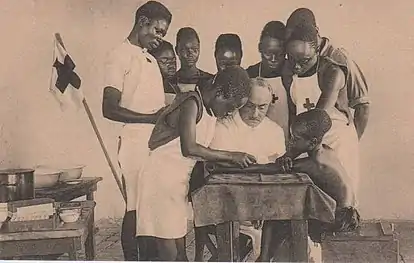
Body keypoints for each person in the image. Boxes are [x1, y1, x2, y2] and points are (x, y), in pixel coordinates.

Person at [136, 66, 257, 261]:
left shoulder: (208, 111)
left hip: (176, 182)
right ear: (218, 93)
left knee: (179, 251)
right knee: (169, 251)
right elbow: (189, 148)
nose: (229, 113)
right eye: (230, 107)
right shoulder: (191, 103)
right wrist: (231, 156)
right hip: (160, 180)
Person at [234, 109, 360, 261]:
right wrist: (287, 156)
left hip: (339, 220)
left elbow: (269, 169)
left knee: (277, 213)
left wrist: (233, 166)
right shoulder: (326, 150)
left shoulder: (314, 164)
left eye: (295, 138)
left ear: (312, 142)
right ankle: (266, 257)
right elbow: (291, 154)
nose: (291, 142)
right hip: (344, 213)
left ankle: (264, 258)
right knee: (283, 208)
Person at [101, 1, 172, 261]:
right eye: (158, 30)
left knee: (149, 210)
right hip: (134, 144)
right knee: (135, 208)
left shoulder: (148, 59)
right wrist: (150, 119)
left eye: (163, 33)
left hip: (153, 144)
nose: (160, 37)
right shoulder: (119, 55)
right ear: (142, 21)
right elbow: (108, 108)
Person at [283, 8, 369, 194]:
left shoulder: (334, 70)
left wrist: (290, 154)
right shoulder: (291, 69)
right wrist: (291, 146)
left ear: (317, 51)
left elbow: (318, 120)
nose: (296, 66)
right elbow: (294, 115)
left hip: (333, 140)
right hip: (307, 140)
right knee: (314, 199)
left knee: (342, 198)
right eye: (292, 59)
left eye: (303, 61)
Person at [209, 77, 286, 260]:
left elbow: (278, 176)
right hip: (229, 204)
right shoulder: (223, 126)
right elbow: (222, 171)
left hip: (265, 206)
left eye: (263, 107)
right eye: (250, 106)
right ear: (241, 101)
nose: (255, 114)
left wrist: (263, 207)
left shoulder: (275, 131)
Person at [246, 21, 290, 140]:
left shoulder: (291, 72)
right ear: (260, 48)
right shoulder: (250, 74)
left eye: (280, 54)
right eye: (268, 53)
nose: (273, 59)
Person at [175, 27, 213, 92]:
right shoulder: (170, 81)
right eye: (185, 50)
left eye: (195, 50)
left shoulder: (209, 80)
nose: (190, 54)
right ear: (177, 50)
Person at [150, 40, 180, 105]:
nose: (172, 65)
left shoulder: (173, 88)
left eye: (173, 60)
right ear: (152, 60)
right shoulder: (144, 87)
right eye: (165, 61)